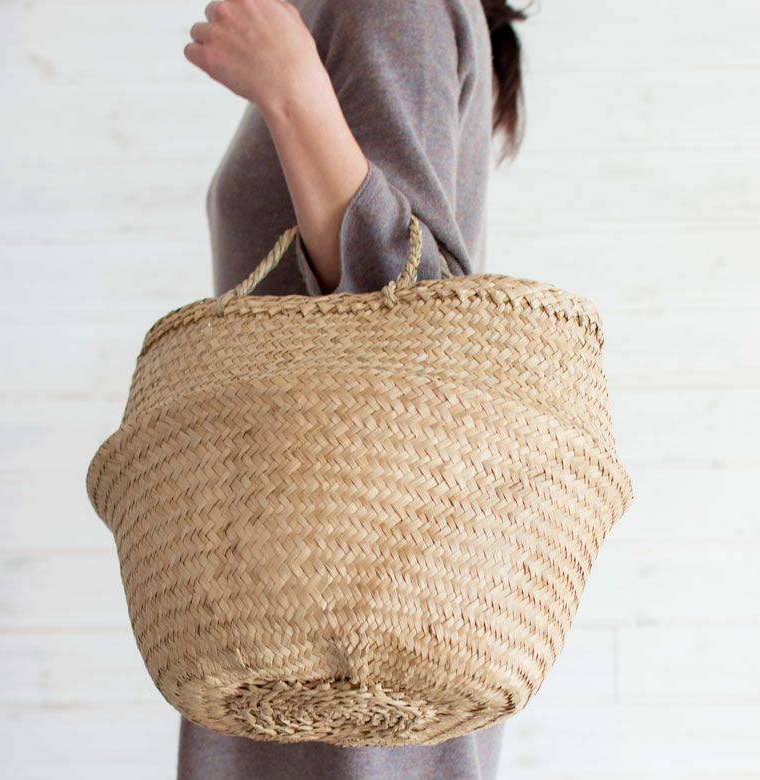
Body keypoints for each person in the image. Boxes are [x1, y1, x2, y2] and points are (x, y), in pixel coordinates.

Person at [178, 0, 529, 776]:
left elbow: (417, 306)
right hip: (313, 576)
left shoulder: (387, 8)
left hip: (350, 586)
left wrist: (292, 88)